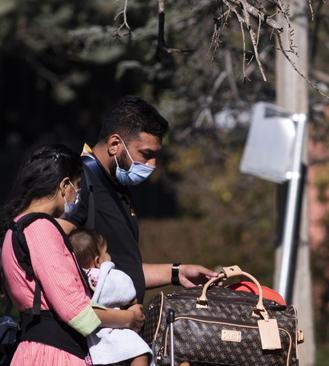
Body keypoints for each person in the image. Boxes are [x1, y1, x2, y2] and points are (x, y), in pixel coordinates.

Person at [57, 96, 218, 304]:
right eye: (146, 154)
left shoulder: (119, 188)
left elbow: (125, 269)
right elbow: (52, 252)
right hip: (94, 330)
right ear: (115, 144)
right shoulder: (79, 182)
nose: (152, 165)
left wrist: (177, 272)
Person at [0, 144, 145, 366]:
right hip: (53, 356)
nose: (77, 195)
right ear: (64, 185)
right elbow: (76, 311)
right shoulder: (41, 228)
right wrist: (128, 319)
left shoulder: (16, 228)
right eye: (77, 187)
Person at [70, 228, 151, 366]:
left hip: (92, 340)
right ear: (97, 260)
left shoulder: (76, 278)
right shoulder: (104, 276)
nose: (109, 256)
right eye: (106, 253)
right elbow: (127, 290)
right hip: (115, 329)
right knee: (141, 352)